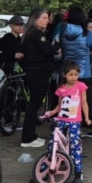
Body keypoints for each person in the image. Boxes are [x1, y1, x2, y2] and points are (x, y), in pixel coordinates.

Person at [41, 62, 90, 183]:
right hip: (61, 119)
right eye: (70, 75)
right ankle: (45, 168)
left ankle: (78, 171)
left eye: (76, 74)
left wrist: (87, 117)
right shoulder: (61, 89)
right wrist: (51, 112)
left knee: (74, 144)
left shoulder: (81, 86)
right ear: (65, 75)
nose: (73, 77)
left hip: (74, 121)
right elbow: (59, 105)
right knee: (53, 143)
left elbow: (84, 103)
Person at [19, 10, 58, 148]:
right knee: (33, 105)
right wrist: (56, 45)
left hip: (34, 71)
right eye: (44, 18)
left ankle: (30, 135)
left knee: (33, 105)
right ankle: (27, 137)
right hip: (38, 72)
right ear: (35, 19)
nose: (47, 20)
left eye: (48, 18)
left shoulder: (30, 33)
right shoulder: (37, 34)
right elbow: (48, 51)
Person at [58, 8, 92, 136]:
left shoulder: (62, 33)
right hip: (84, 74)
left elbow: (63, 50)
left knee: (67, 105)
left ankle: (66, 132)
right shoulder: (87, 34)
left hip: (67, 73)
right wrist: (90, 59)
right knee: (88, 104)